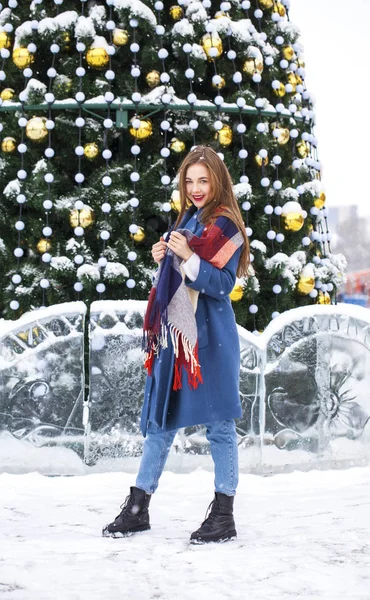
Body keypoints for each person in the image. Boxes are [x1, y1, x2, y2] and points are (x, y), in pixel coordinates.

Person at [102, 146, 250, 544]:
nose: (196, 187)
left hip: (211, 339)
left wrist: (186, 257)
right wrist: (165, 256)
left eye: (203, 180)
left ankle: (223, 515)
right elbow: (177, 275)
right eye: (189, 180)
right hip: (177, 336)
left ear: (217, 180)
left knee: (219, 425)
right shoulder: (188, 219)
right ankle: (137, 508)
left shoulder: (227, 225)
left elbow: (222, 286)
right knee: (161, 422)